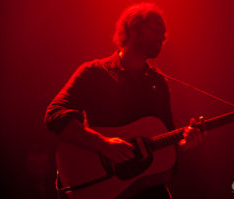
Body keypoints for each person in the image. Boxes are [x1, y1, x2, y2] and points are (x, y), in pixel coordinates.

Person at [44, 3, 201, 199]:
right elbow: (54, 114)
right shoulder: (94, 72)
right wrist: (103, 144)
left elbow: (166, 137)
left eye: (164, 32)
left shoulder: (158, 83)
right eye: (155, 29)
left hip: (145, 187)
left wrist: (185, 143)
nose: (162, 36)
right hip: (104, 185)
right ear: (133, 29)